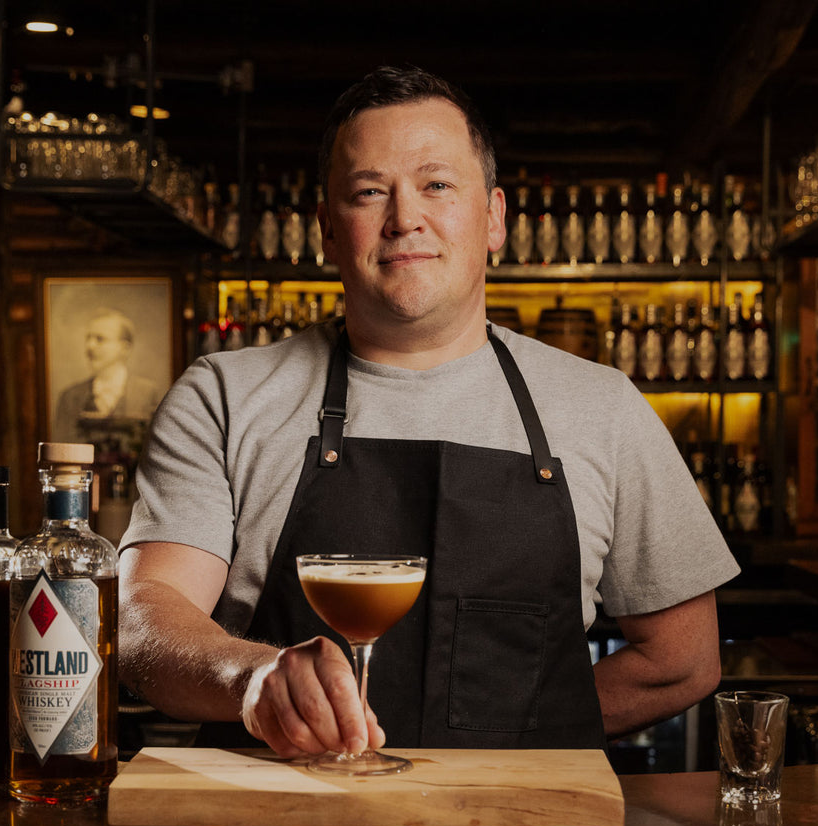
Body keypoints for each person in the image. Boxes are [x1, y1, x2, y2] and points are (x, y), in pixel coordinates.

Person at [118, 66, 738, 757]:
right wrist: (253, 676)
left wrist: (523, 725)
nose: (404, 216)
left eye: (436, 184)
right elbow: (145, 623)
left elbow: (683, 659)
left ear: (495, 218)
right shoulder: (224, 396)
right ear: (327, 229)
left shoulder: (604, 407)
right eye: (368, 191)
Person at [51, 306, 166, 443]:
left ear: (124, 348)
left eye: (100, 339)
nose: (90, 346)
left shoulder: (148, 393)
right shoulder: (70, 397)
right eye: (88, 338)